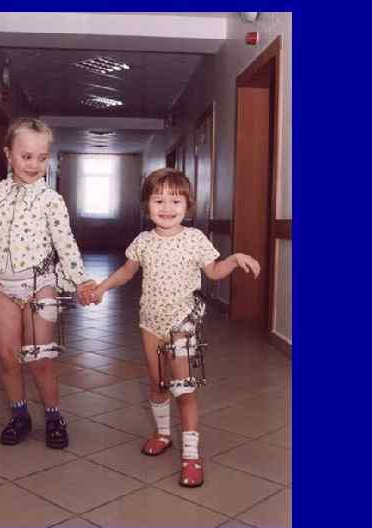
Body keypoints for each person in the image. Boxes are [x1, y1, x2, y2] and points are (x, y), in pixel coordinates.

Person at [87, 168, 261, 487]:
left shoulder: (195, 239)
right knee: (157, 383)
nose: (167, 208)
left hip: (182, 324)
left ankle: (191, 455)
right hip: (150, 323)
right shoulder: (143, 241)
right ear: (147, 205)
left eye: (175, 201)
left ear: (187, 205)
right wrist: (101, 288)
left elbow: (214, 271)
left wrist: (235, 259)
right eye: (159, 200)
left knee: (183, 388)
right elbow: (126, 272)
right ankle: (163, 434)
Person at [0, 118, 95, 449]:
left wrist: (81, 280)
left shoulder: (51, 200)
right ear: (9, 154)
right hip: (2, 287)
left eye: (41, 158)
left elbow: (66, 243)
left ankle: (54, 416)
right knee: (7, 356)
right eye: (26, 156)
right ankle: (19, 415)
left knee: (39, 357)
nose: (33, 165)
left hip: (39, 285)